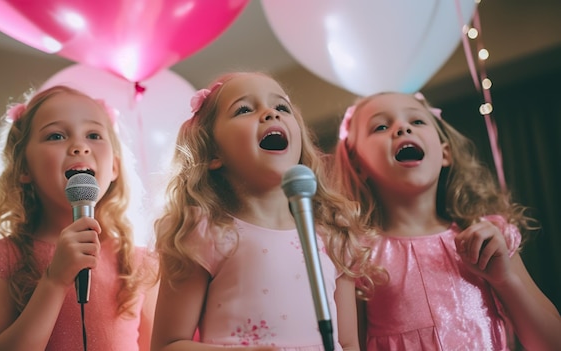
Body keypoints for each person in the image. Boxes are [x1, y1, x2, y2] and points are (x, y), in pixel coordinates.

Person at [150, 72, 385, 351]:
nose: (270, 114)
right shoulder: (204, 232)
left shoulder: (332, 231)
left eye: (281, 107)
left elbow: (347, 343)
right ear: (213, 153)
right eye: (244, 109)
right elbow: (168, 345)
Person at [331, 91, 561, 350]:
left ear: (445, 153)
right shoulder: (357, 257)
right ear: (357, 163)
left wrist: (505, 280)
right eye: (381, 126)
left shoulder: (488, 238)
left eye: (417, 121)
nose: (402, 128)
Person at [0, 85, 158, 351]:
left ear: (115, 166)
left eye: (94, 134)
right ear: (23, 167)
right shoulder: (4, 256)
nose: (80, 146)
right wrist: (54, 280)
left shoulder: (139, 263)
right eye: (56, 135)